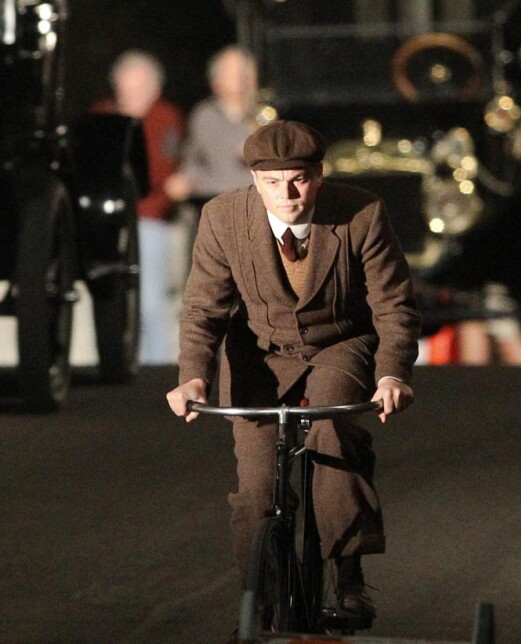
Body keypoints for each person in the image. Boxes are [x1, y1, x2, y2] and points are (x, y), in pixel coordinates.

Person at [166, 120, 421, 620]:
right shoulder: (223, 218)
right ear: (254, 181)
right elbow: (203, 309)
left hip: (339, 343)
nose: (287, 194)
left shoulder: (361, 214)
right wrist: (193, 376)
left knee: (332, 433)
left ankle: (349, 579)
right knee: (257, 484)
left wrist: (393, 374)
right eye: (272, 181)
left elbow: (394, 305)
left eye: (299, 179)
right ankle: (257, 601)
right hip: (258, 353)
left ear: (319, 175)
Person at [93, 50, 185, 364]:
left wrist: (154, 205)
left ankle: (155, 368)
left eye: (138, 89)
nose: (130, 96)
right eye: (125, 88)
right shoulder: (102, 116)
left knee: (150, 303)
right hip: (108, 220)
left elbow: (166, 172)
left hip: (147, 219)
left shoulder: (165, 118)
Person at [163, 45, 258, 211]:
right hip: (216, 206)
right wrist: (186, 180)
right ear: (216, 81)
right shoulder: (205, 116)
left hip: (258, 207)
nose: (241, 77)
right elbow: (193, 161)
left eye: (245, 70)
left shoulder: (266, 113)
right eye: (232, 71)